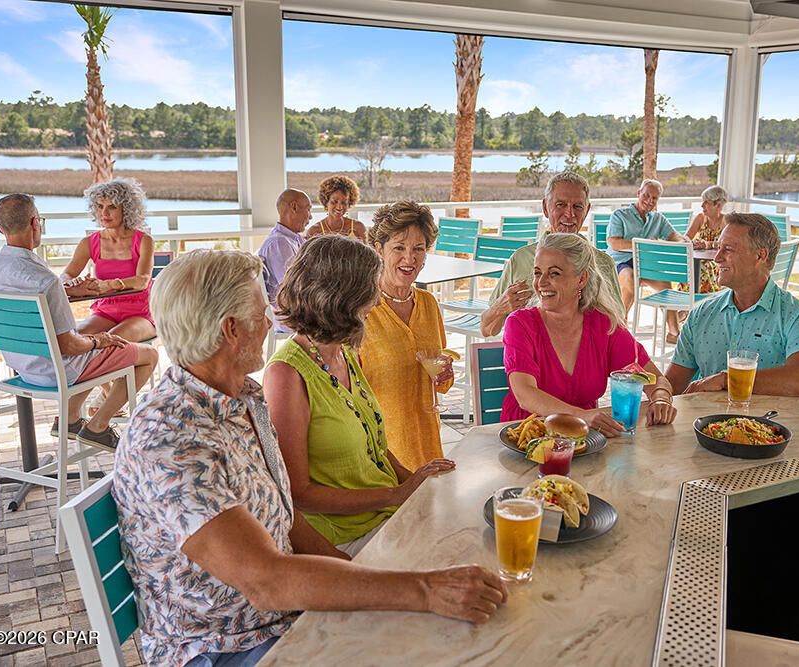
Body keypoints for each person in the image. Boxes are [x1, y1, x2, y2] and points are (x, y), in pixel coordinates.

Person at [113, 250, 505, 666]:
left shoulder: (239, 399)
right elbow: (265, 582)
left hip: (278, 616)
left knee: (447, 635)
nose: (270, 323)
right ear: (231, 329)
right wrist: (424, 590)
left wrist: (358, 571)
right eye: (261, 312)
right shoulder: (171, 439)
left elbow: (287, 516)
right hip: (222, 645)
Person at [264, 235, 456, 556]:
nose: (377, 303)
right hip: (343, 534)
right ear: (341, 297)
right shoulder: (286, 374)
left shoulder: (344, 352)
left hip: (382, 515)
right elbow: (298, 494)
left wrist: (414, 484)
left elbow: (375, 447)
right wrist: (396, 495)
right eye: (369, 292)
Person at [0, 194, 157, 450]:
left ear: (0, 229)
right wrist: (99, 341)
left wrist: (68, 292)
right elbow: (69, 346)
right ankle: (98, 426)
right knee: (149, 355)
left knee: (96, 343)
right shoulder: (46, 280)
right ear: (35, 223)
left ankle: (70, 418)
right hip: (58, 372)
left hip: (22, 369)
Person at [502, 233, 677, 437]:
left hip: (585, 440)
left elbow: (655, 378)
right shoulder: (520, 324)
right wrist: (582, 416)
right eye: (537, 273)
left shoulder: (604, 326)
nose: (541, 282)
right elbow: (525, 395)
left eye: (554, 273)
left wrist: (661, 399)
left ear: (582, 279)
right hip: (527, 436)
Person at [665, 212, 799, 397]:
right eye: (718, 247)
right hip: (705, 415)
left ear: (760, 256)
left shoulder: (797, 316)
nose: (717, 258)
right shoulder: (701, 314)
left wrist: (727, 380)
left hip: (768, 415)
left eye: (728, 249)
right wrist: (658, 393)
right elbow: (673, 385)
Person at [360, 201, 455, 471]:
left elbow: (438, 376)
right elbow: (348, 392)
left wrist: (445, 375)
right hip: (382, 455)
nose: (409, 259)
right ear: (379, 249)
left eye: (418, 249)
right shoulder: (363, 311)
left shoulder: (429, 304)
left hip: (428, 447)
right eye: (399, 248)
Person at [480, 171, 623, 338]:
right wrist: (500, 307)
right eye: (560, 205)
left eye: (577, 206)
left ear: (586, 210)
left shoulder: (603, 263)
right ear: (545, 208)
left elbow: (618, 326)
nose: (569, 214)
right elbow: (487, 329)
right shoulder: (522, 259)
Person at [61, 178, 156, 343]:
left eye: (112, 207)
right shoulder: (88, 243)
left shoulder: (144, 241)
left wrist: (108, 285)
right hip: (105, 311)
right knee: (74, 338)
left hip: (141, 313)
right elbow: (67, 273)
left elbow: (142, 281)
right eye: (99, 206)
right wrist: (70, 284)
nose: (104, 213)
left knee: (112, 340)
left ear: (126, 209)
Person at [606, 179, 686, 320]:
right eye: (646, 195)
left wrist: (685, 241)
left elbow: (674, 235)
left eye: (654, 198)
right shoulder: (620, 215)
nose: (649, 201)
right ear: (638, 193)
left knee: (665, 284)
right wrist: (644, 244)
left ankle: (674, 330)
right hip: (620, 264)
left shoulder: (658, 218)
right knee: (630, 277)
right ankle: (621, 323)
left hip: (644, 266)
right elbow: (614, 243)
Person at [258, 188, 311, 330]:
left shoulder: (293, 238)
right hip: (292, 315)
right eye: (308, 209)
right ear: (294, 207)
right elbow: (292, 288)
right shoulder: (279, 243)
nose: (310, 217)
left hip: (301, 308)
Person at [682, 185, 729, 295]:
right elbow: (686, 237)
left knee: (701, 267)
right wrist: (692, 242)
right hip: (698, 260)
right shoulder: (700, 218)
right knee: (691, 265)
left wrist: (707, 244)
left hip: (718, 263)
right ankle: (691, 298)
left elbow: (726, 244)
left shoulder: (726, 221)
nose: (702, 205)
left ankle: (700, 298)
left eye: (706, 202)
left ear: (718, 205)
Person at [305, 175, 367, 239]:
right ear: (326, 202)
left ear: (349, 203)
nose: (339, 207)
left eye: (344, 202)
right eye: (334, 202)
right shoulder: (314, 231)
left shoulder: (358, 227)